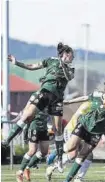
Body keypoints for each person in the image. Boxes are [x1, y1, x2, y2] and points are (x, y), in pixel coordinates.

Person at [2, 42, 75, 172]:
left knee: (58, 129)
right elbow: (32, 66)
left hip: (57, 99)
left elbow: (69, 77)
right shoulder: (50, 61)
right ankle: (7, 140)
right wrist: (16, 62)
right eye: (72, 55)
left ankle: (59, 160)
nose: (73, 58)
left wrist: (62, 63)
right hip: (45, 92)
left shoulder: (70, 69)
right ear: (66, 53)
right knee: (27, 115)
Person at [46, 80, 105, 182]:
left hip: (96, 132)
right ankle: (56, 154)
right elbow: (83, 101)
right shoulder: (96, 97)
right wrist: (68, 102)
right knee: (71, 149)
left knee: (84, 155)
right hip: (82, 126)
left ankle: (68, 180)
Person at [14, 93, 50, 182]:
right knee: (32, 150)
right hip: (34, 126)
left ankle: (27, 167)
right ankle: (20, 172)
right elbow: (27, 109)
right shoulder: (36, 95)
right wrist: (25, 124)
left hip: (44, 127)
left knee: (44, 152)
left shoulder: (52, 96)